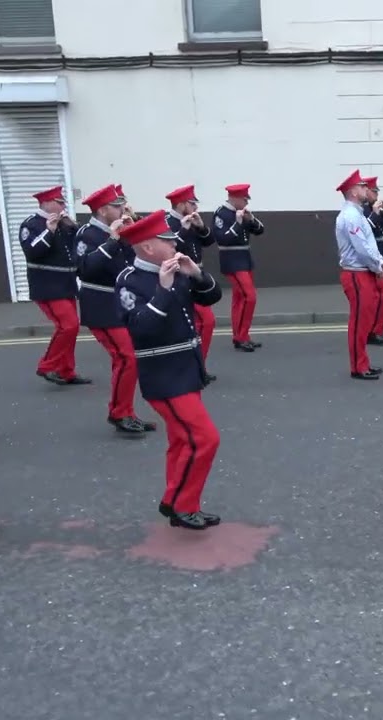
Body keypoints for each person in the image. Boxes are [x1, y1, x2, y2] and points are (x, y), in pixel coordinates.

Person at [115, 211, 224, 530]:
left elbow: (212, 296)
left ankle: (173, 499)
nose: (174, 242)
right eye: (166, 240)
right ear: (148, 248)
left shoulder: (178, 270)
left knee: (181, 440)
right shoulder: (129, 281)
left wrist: (198, 274)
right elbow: (141, 329)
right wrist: (162, 289)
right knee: (205, 439)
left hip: (186, 370)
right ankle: (184, 505)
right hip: (163, 375)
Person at [75, 184, 156, 435]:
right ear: (102, 210)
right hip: (101, 305)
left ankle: (124, 411)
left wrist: (135, 224)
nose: (123, 208)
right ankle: (120, 413)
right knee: (126, 357)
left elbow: (145, 250)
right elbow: (86, 268)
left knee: (126, 360)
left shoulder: (124, 228)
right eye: (117, 205)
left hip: (122, 303)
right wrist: (112, 239)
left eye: (123, 203)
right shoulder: (87, 234)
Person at [19, 185, 90, 386]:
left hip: (66, 283)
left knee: (71, 328)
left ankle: (66, 371)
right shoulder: (32, 224)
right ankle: (47, 365)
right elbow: (32, 251)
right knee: (68, 326)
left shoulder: (63, 223)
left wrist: (73, 225)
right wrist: (48, 230)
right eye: (59, 202)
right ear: (47, 203)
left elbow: (78, 244)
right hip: (47, 286)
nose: (62, 206)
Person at [334, 169, 383, 380]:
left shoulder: (356, 214)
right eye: (363, 186)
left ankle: (363, 363)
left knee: (364, 321)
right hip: (357, 274)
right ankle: (358, 366)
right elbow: (362, 248)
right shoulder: (350, 217)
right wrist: (378, 265)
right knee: (359, 323)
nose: (367, 190)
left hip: (363, 273)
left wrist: (377, 264)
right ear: (353, 191)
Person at [164, 184, 217, 373]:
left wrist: (201, 227)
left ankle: (196, 364)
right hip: (179, 276)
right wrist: (185, 229)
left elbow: (210, 241)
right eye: (191, 203)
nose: (195, 207)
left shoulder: (192, 220)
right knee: (204, 321)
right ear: (180, 205)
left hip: (196, 274)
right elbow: (170, 248)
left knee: (201, 323)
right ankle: (195, 366)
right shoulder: (168, 222)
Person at [212, 183, 267, 353]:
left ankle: (241, 336)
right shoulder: (221, 213)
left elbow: (260, 230)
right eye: (244, 200)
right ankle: (241, 336)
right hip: (232, 261)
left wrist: (251, 219)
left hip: (245, 260)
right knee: (249, 297)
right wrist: (237, 223)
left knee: (239, 300)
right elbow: (222, 239)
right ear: (234, 198)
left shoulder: (242, 213)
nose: (246, 203)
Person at [363, 176, 383, 347]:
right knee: (381, 295)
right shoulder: (363, 211)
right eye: (373, 191)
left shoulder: (374, 208)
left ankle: (374, 331)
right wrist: (375, 212)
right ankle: (373, 332)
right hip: (372, 259)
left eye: (376, 191)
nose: (376, 194)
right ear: (366, 191)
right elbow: (367, 228)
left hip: (381, 257)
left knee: (382, 296)